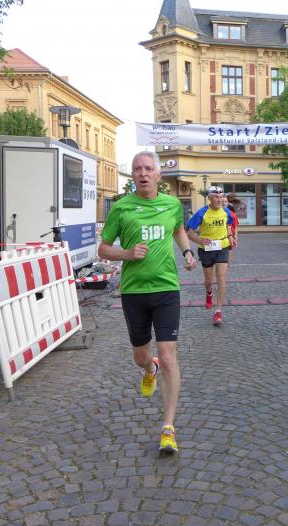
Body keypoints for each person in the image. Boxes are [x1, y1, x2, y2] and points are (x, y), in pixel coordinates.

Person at [98, 151, 198, 454]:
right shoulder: (121, 208)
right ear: (133, 176)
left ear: (158, 175)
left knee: (168, 356)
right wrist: (127, 254)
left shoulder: (172, 205)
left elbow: (178, 230)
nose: (143, 173)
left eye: (148, 169)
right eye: (137, 169)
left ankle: (168, 427)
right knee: (141, 356)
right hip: (134, 292)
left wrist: (187, 252)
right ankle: (148, 368)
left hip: (167, 289)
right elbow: (103, 249)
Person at [187, 186, 236, 325]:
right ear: (209, 198)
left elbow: (228, 226)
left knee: (221, 279)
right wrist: (200, 240)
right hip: (206, 249)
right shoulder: (201, 213)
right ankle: (209, 293)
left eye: (221, 197)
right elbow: (189, 233)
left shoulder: (226, 212)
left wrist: (230, 237)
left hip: (222, 247)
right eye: (216, 197)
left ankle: (218, 311)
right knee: (209, 281)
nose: (219, 200)